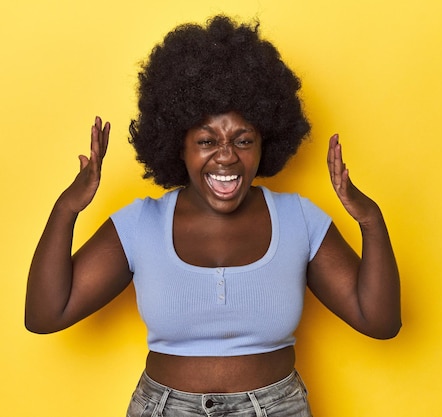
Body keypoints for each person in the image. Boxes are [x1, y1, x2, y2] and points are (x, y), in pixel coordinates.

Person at [25, 15, 401, 417]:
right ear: (178, 145)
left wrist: (371, 220)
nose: (226, 156)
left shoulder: (298, 218)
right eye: (207, 140)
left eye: (243, 140)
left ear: (264, 144)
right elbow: (46, 315)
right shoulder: (141, 224)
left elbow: (379, 321)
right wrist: (66, 209)